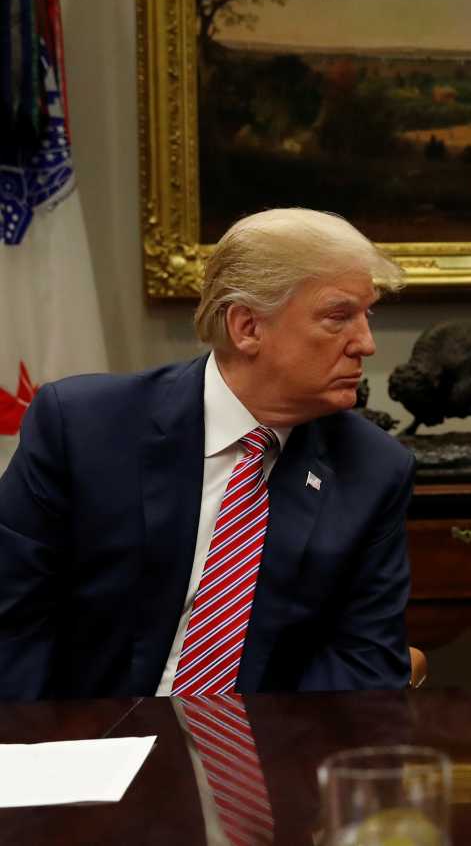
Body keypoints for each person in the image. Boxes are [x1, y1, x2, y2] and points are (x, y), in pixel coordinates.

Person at [0, 208, 415, 699]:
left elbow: (362, 665)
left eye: (367, 315)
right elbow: (13, 623)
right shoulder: (83, 428)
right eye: (338, 317)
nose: (365, 344)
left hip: (264, 756)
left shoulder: (373, 469)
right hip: (85, 748)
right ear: (247, 328)